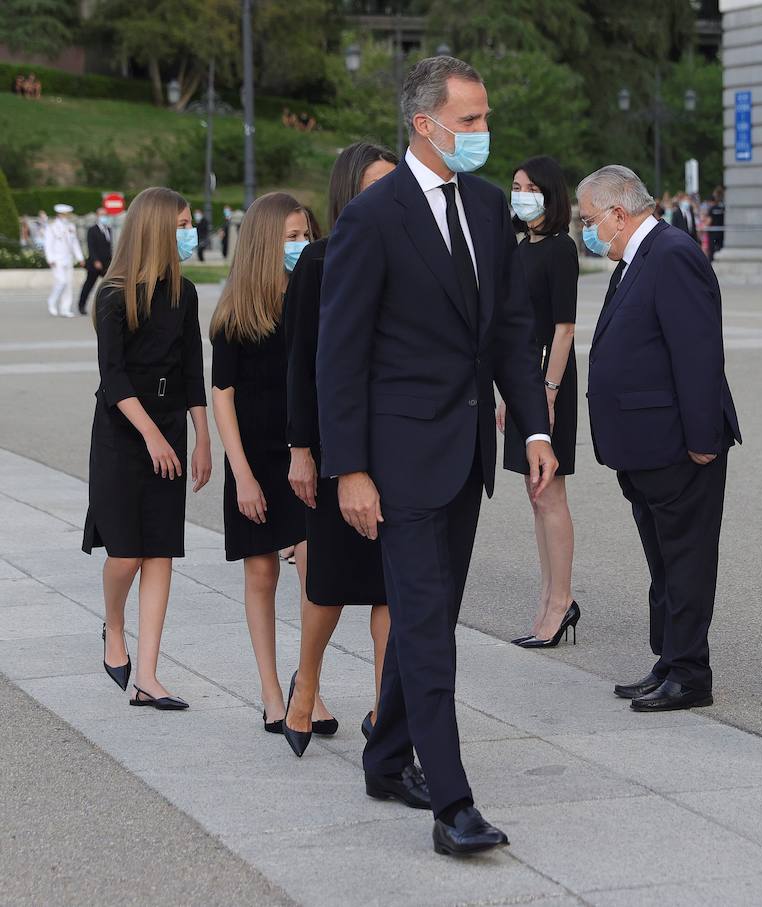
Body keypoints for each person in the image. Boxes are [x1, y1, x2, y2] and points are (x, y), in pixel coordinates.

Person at [317, 55, 555, 857]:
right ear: (426, 123)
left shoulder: (489, 210)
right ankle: (452, 803)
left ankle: (385, 755)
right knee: (428, 629)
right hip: (398, 461)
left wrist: (536, 429)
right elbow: (338, 354)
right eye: (472, 120)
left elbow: (511, 332)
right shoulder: (373, 218)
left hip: (467, 456)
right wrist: (348, 466)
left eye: (486, 117)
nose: (485, 133)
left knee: (430, 617)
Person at [578, 165, 742, 713]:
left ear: (618, 214)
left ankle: (691, 672)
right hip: (644, 447)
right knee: (663, 562)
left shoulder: (671, 254)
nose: (586, 230)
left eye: (589, 219)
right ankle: (671, 658)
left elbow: (697, 354)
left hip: (677, 446)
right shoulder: (635, 258)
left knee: (686, 560)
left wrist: (701, 440)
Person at [282, 141, 400, 758]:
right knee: (327, 585)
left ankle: (384, 707)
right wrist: (302, 449)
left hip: (395, 445)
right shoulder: (320, 262)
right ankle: (305, 690)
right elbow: (302, 364)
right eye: (373, 185)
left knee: (388, 588)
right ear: (348, 192)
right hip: (333, 448)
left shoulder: (407, 254)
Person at [83, 187, 212, 709]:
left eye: (190, 223)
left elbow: (190, 373)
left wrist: (203, 438)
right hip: (122, 430)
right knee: (127, 554)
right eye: (181, 225)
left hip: (169, 425)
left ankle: (149, 677)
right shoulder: (114, 295)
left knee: (161, 551)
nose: (189, 233)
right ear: (156, 228)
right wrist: (152, 435)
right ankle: (113, 626)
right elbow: (112, 378)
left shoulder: (185, 293)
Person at [209, 192, 319, 739]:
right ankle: (271, 691)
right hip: (252, 457)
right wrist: (243, 474)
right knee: (262, 571)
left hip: (304, 453)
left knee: (311, 566)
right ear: (262, 244)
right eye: (289, 238)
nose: (300, 246)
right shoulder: (236, 312)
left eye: (305, 235)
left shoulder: (316, 298)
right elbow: (221, 395)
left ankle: (308, 686)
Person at [500, 155, 581, 648]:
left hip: (549, 381)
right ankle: (549, 596)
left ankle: (561, 600)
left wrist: (546, 393)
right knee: (535, 495)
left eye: (530, 186)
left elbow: (564, 327)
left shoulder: (560, 250)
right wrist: (511, 393)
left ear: (551, 196)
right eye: (516, 185)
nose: (521, 193)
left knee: (550, 493)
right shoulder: (518, 248)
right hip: (522, 380)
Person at [44, 204, 85, 317]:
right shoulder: (52, 227)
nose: (67, 216)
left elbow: (75, 243)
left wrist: (80, 257)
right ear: (59, 214)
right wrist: (50, 258)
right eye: (65, 214)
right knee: (61, 281)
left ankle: (65, 308)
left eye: (67, 215)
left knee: (68, 284)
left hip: (68, 259)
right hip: (57, 259)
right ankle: (52, 301)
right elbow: (48, 244)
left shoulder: (71, 226)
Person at [80, 207, 115, 316]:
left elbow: (109, 247)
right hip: (94, 263)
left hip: (107, 263)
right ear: (97, 216)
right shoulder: (92, 230)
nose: (103, 217)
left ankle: (108, 307)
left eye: (105, 215)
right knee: (89, 284)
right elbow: (91, 247)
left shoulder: (108, 229)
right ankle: (81, 305)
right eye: (101, 215)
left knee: (110, 285)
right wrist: (95, 260)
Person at [707, 187, 726, 260]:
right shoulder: (723, 208)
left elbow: (709, 221)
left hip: (713, 233)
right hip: (721, 232)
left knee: (712, 251)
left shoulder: (712, 209)